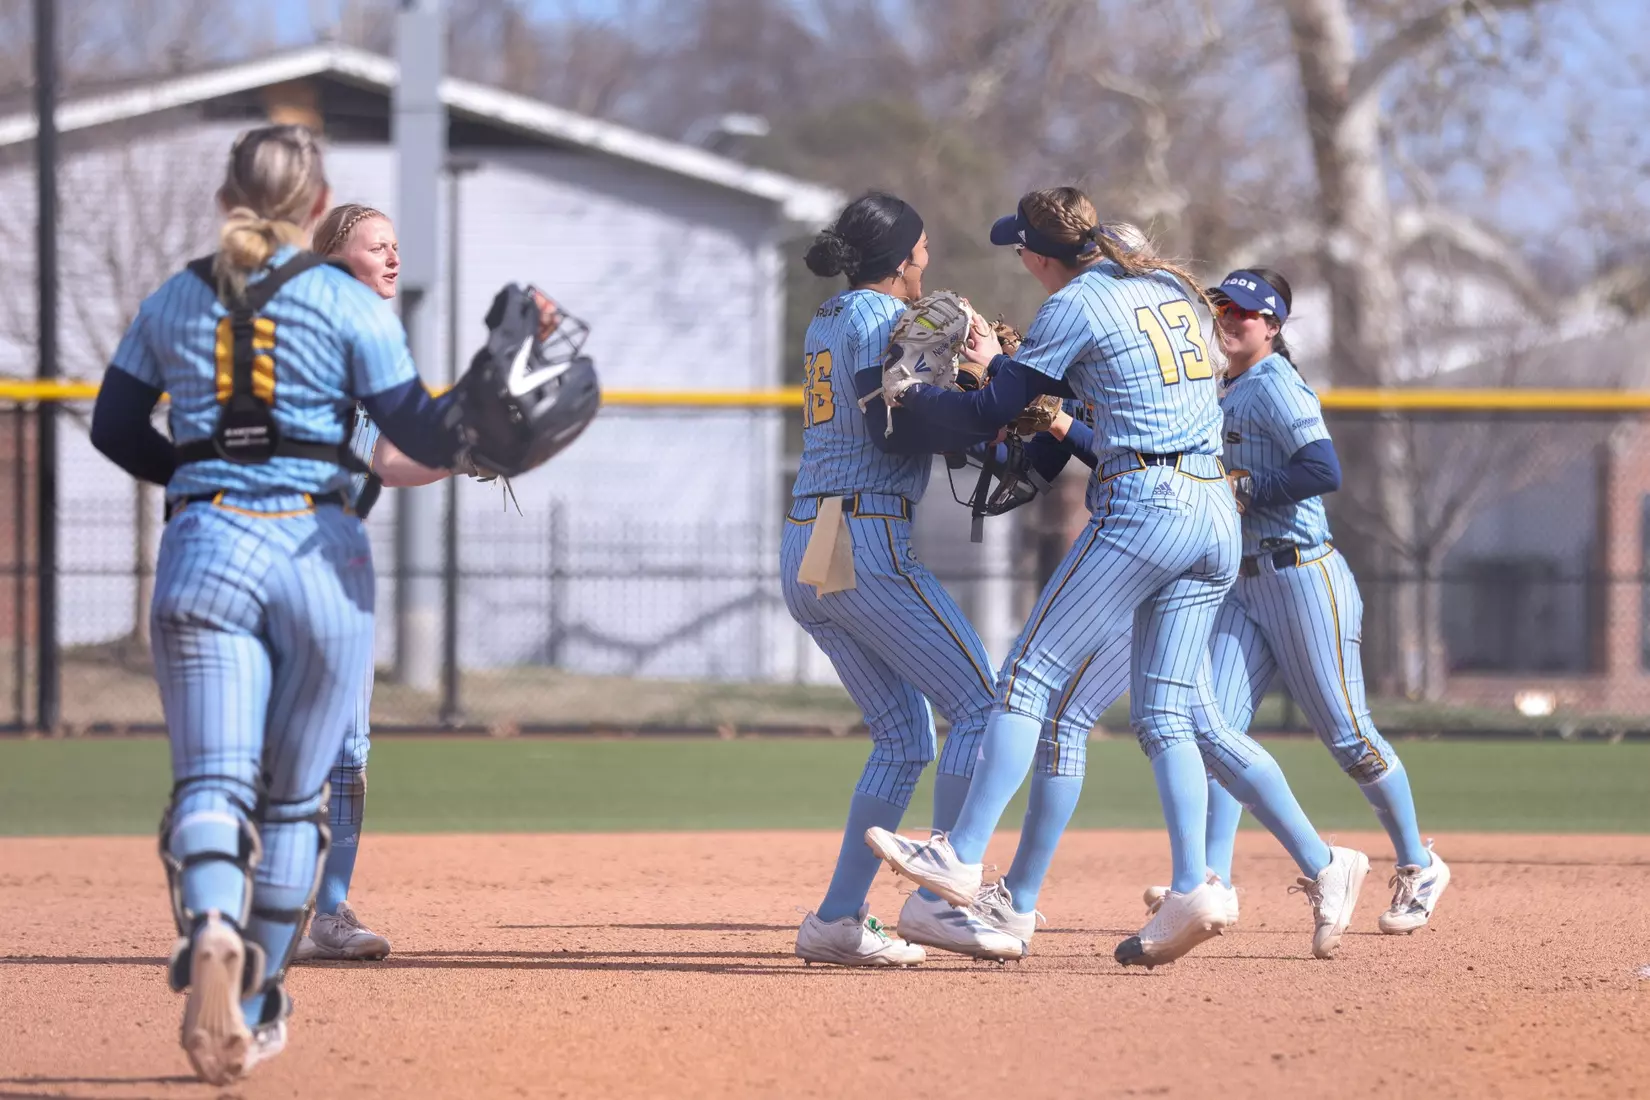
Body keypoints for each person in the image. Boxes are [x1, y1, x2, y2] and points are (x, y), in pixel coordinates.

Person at [88, 125, 553, 1084]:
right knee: (300, 800)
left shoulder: (175, 297)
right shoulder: (343, 301)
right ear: (316, 203)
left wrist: (198, 480)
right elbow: (420, 428)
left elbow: (114, 426)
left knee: (212, 784)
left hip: (206, 546)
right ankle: (255, 994)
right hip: (317, 552)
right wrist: (497, 370)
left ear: (226, 198)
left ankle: (211, 924)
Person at [865, 187, 1369, 966]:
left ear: (1041, 256)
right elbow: (1093, 395)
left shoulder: (1075, 303)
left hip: (1147, 505)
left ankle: (962, 856)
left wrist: (925, 394)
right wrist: (1021, 381)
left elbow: (994, 409)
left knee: (1028, 679)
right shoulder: (1165, 286)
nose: (1020, 258)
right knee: (1168, 716)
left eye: (1022, 247)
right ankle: (1194, 885)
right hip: (1214, 510)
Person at [1141, 267, 1448, 933]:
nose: (1229, 319)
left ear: (1273, 326)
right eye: (1222, 308)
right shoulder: (1220, 384)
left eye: (1244, 312)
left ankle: (1419, 863)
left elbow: (1321, 469)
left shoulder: (1275, 382)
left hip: (1303, 575)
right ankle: (1212, 880)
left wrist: (1246, 489)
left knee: (1348, 736)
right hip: (1241, 581)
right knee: (1216, 730)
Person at [786, 191, 1042, 966]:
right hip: (862, 534)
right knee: (984, 707)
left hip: (808, 538)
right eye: (922, 247)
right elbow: (893, 425)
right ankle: (938, 902)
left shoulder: (828, 316)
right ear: (902, 259)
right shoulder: (884, 318)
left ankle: (837, 919)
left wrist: (958, 401)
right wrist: (988, 402)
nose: (928, 257)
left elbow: (894, 412)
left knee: (903, 738)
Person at [290, 204, 449, 963]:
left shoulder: (377, 341)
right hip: (276, 557)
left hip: (340, 565)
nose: (392, 257)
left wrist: (465, 455)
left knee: (348, 749)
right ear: (333, 255)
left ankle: (329, 912)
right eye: (376, 246)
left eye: (395, 245)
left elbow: (385, 460)